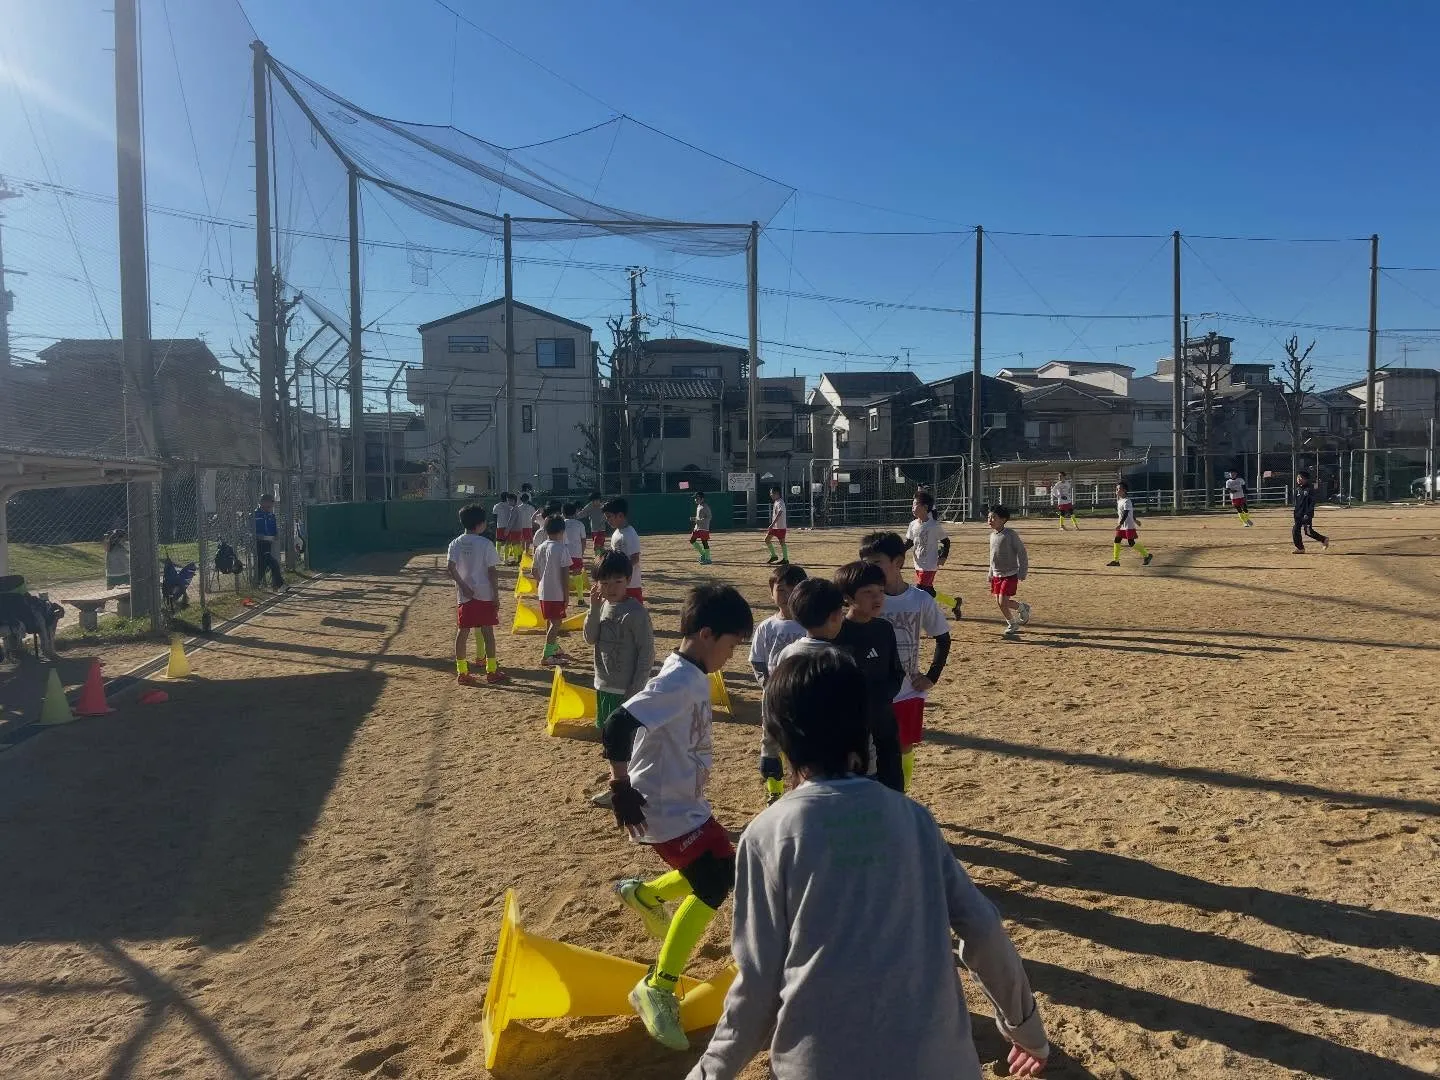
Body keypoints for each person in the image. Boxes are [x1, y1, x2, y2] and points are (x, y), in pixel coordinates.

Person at [684, 650, 1050, 1080]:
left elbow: (758, 986)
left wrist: (710, 1072)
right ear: (863, 727)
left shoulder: (767, 835)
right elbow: (983, 928)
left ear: (779, 732)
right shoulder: (912, 818)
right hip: (938, 1061)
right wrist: (1025, 1027)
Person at [604, 584, 754, 1051]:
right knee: (710, 883)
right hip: (663, 809)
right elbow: (616, 725)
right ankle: (658, 986)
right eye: (731, 645)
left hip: (686, 804)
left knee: (719, 868)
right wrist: (620, 785)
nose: (731, 656)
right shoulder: (678, 681)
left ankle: (644, 893)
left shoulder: (689, 674)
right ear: (707, 635)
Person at [860, 531, 951, 792]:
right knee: (872, 748)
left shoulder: (920, 599)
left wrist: (931, 676)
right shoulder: (865, 599)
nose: (870, 569)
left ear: (898, 562)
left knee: (904, 746)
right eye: (865, 563)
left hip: (908, 690)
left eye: (876, 562)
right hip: (873, 692)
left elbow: (942, 638)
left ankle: (902, 794)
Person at [832, 560, 905, 792]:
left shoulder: (884, 629)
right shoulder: (835, 633)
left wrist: (882, 697)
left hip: (884, 722)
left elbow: (896, 671)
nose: (877, 598)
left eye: (881, 591)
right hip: (850, 729)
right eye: (868, 592)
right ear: (848, 598)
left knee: (893, 787)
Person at [749, 564, 808, 805]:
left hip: (804, 695)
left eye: (794, 590)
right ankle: (774, 791)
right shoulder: (766, 626)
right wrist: (767, 684)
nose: (787, 595)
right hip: (774, 696)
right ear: (771, 591)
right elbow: (758, 660)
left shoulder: (809, 624)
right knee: (771, 740)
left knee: (802, 742)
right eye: (781, 589)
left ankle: (801, 788)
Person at [585, 549, 655, 742]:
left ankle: (624, 773)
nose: (611, 588)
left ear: (628, 579)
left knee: (626, 740)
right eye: (605, 583)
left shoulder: (636, 613)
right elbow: (590, 638)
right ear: (597, 584)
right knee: (608, 735)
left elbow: (646, 653)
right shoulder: (600, 607)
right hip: (603, 686)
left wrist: (636, 688)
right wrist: (593, 609)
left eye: (618, 581)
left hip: (627, 690)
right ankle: (616, 771)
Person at [446, 504, 507, 685]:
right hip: (484, 594)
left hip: (465, 596)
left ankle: (462, 671)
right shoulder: (486, 544)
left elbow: (450, 567)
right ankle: (491, 670)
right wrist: (496, 596)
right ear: (480, 524)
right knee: (488, 633)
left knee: (462, 632)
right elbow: (492, 572)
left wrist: (463, 586)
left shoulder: (455, 543)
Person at [987, 505, 1030, 639]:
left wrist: (1023, 571)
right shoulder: (992, 536)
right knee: (1000, 601)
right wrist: (990, 572)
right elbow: (992, 556)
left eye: (994, 517)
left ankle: (1012, 623)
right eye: (989, 517)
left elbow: (1022, 552)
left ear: (1003, 519)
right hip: (996, 575)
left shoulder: (1010, 534)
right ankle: (1022, 607)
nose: (990, 520)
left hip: (1010, 574)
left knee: (1002, 602)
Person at [904, 490, 951, 596]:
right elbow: (909, 542)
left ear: (925, 507)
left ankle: (926, 612)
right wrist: (897, 552)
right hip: (918, 563)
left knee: (920, 590)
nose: (913, 508)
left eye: (915, 505)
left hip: (930, 564)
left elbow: (946, 541)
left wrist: (943, 556)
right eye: (912, 505)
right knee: (928, 591)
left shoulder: (934, 526)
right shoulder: (912, 524)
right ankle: (953, 604)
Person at [604, 497, 644, 602]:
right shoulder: (616, 533)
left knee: (634, 614)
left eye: (609, 517)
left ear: (620, 515)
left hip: (631, 585)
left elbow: (635, 558)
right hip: (620, 583)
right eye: (606, 517)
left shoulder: (630, 534)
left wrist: (621, 573)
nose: (607, 520)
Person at [1107, 482, 1153, 568]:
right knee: (1117, 540)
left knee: (1131, 542)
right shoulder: (1120, 501)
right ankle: (1116, 561)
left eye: (1119, 489)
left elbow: (1126, 513)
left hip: (1128, 525)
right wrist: (1135, 520)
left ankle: (1147, 555)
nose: (1117, 491)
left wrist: (1122, 524)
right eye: (1116, 489)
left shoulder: (1127, 501)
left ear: (1124, 490)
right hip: (1122, 524)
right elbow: (1129, 513)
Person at [1292, 470, 1330, 553]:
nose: (1298, 479)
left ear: (1306, 479)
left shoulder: (1309, 489)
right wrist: (1295, 513)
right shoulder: (1298, 489)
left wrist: (1307, 514)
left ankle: (1324, 539)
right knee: (1295, 530)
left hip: (1306, 515)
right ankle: (1300, 548)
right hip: (1298, 514)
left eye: (1301, 478)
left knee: (1308, 532)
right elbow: (1297, 503)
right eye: (1298, 477)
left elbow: (1311, 503)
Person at [253, 493, 285, 590]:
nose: (270, 506)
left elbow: (274, 530)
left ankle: (255, 583)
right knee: (273, 563)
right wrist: (257, 535)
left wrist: (276, 535)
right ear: (262, 502)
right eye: (268, 503)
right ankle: (280, 585)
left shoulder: (271, 515)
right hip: (258, 543)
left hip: (268, 542)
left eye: (271, 503)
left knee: (263, 564)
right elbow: (250, 529)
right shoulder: (255, 514)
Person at [562, 501, 589, 604]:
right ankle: (580, 598)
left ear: (563, 513)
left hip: (564, 554)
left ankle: (564, 599)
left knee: (563, 576)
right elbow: (583, 540)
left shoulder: (561, 523)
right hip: (576, 553)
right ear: (575, 513)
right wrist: (581, 553)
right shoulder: (580, 524)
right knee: (577, 575)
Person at [764, 485, 789, 565]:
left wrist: (772, 524)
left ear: (777, 493)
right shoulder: (776, 502)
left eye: (772, 493)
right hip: (775, 527)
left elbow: (780, 513)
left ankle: (785, 559)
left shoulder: (780, 502)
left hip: (780, 527)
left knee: (782, 543)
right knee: (767, 540)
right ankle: (774, 556)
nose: (770, 495)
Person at [690, 491, 714, 565]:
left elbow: (709, 517)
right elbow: (699, 517)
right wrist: (695, 519)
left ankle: (708, 558)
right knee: (692, 540)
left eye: (697, 498)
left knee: (704, 542)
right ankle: (703, 554)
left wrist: (698, 520)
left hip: (704, 527)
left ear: (702, 499)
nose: (696, 499)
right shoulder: (699, 506)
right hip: (697, 527)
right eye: (695, 498)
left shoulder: (705, 507)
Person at [584, 491, 609, 555]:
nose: (596, 502)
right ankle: (601, 556)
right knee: (598, 545)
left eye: (597, 500)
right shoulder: (589, 506)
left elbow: (607, 516)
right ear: (592, 501)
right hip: (594, 529)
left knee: (597, 545)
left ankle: (599, 557)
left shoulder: (602, 506)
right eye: (594, 500)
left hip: (601, 529)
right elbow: (583, 513)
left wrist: (604, 520)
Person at [518, 489, 536, 554]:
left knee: (522, 539)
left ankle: (522, 551)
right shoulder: (531, 507)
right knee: (527, 539)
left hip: (520, 526)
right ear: (528, 499)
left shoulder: (518, 507)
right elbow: (534, 516)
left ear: (521, 499)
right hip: (528, 525)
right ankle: (527, 551)